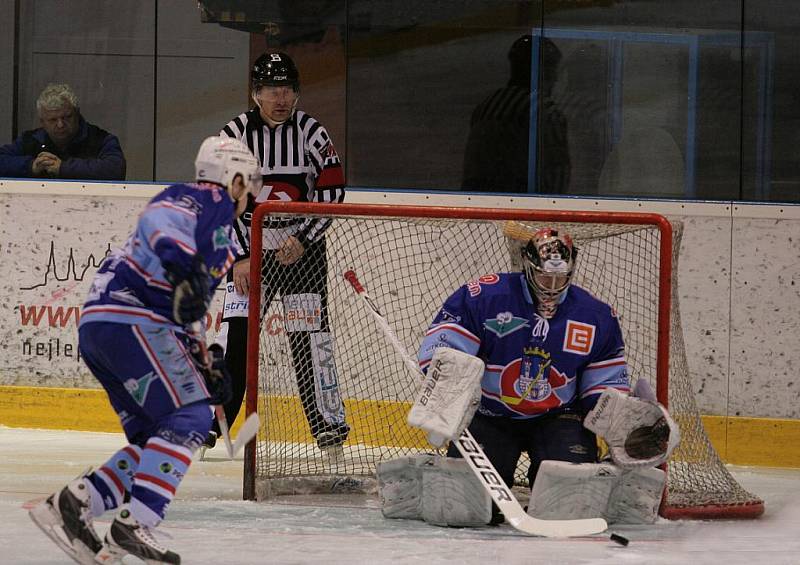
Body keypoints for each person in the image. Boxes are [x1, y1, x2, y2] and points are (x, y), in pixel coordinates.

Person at [28, 136, 260, 564]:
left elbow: (182, 308)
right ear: (235, 176)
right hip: (128, 319)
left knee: (159, 437)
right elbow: (160, 223)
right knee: (190, 416)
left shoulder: (222, 238)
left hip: (111, 325)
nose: (254, 191)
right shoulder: (206, 199)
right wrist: (180, 266)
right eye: (252, 181)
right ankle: (136, 524)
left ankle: (75, 505)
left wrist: (203, 363)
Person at [416, 227, 631, 521]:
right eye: (545, 276)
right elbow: (442, 349)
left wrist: (616, 417)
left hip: (559, 417)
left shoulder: (596, 315)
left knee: (570, 508)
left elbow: (603, 385)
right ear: (528, 266)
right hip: (489, 414)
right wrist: (449, 392)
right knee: (467, 509)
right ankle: (420, 477)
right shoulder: (485, 296)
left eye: (561, 277)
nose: (552, 285)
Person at [208, 51, 349, 452]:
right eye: (273, 90)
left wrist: (303, 237)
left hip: (301, 255)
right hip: (249, 254)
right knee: (235, 340)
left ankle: (328, 428)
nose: (281, 98)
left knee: (309, 340)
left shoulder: (312, 133)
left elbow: (333, 192)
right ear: (256, 94)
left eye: (287, 90)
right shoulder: (233, 136)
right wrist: (238, 255)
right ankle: (210, 422)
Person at [461, 36, 570, 194]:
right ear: (544, 71)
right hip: (520, 199)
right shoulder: (545, 111)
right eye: (552, 69)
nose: (556, 78)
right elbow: (557, 171)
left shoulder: (487, 105)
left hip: (478, 197)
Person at [0, 83, 126, 180]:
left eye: (67, 117)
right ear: (42, 122)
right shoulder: (30, 140)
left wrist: (63, 168)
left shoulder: (101, 139)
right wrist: (31, 166)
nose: (60, 125)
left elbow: (115, 169)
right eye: (53, 120)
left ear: (77, 114)